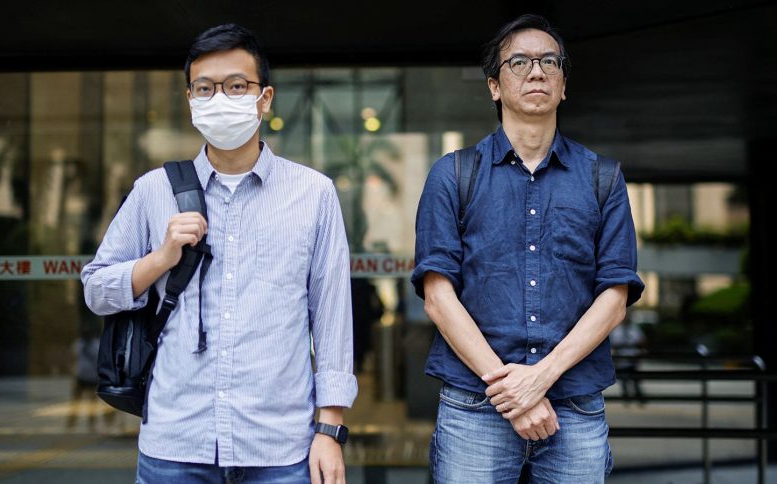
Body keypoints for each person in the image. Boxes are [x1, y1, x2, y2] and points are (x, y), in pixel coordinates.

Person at [81, 24, 356, 484]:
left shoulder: (313, 194)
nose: (220, 99)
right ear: (190, 100)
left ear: (264, 98)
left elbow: (331, 319)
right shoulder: (153, 191)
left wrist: (330, 428)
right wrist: (160, 258)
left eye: (235, 86)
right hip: (175, 444)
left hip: (279, 448)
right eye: (205, 89)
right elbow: (96, 291)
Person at [411, 14, 645, 483]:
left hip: (574, 405)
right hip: (474, 407)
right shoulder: (454, 175)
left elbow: (615, 298)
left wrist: (539, 379)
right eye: (519, 62)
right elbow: (438, 296)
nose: (536, 72)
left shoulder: (603, 178)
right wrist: (511, 391)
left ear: (563, 87)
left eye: (548, 62)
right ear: (495, 87)